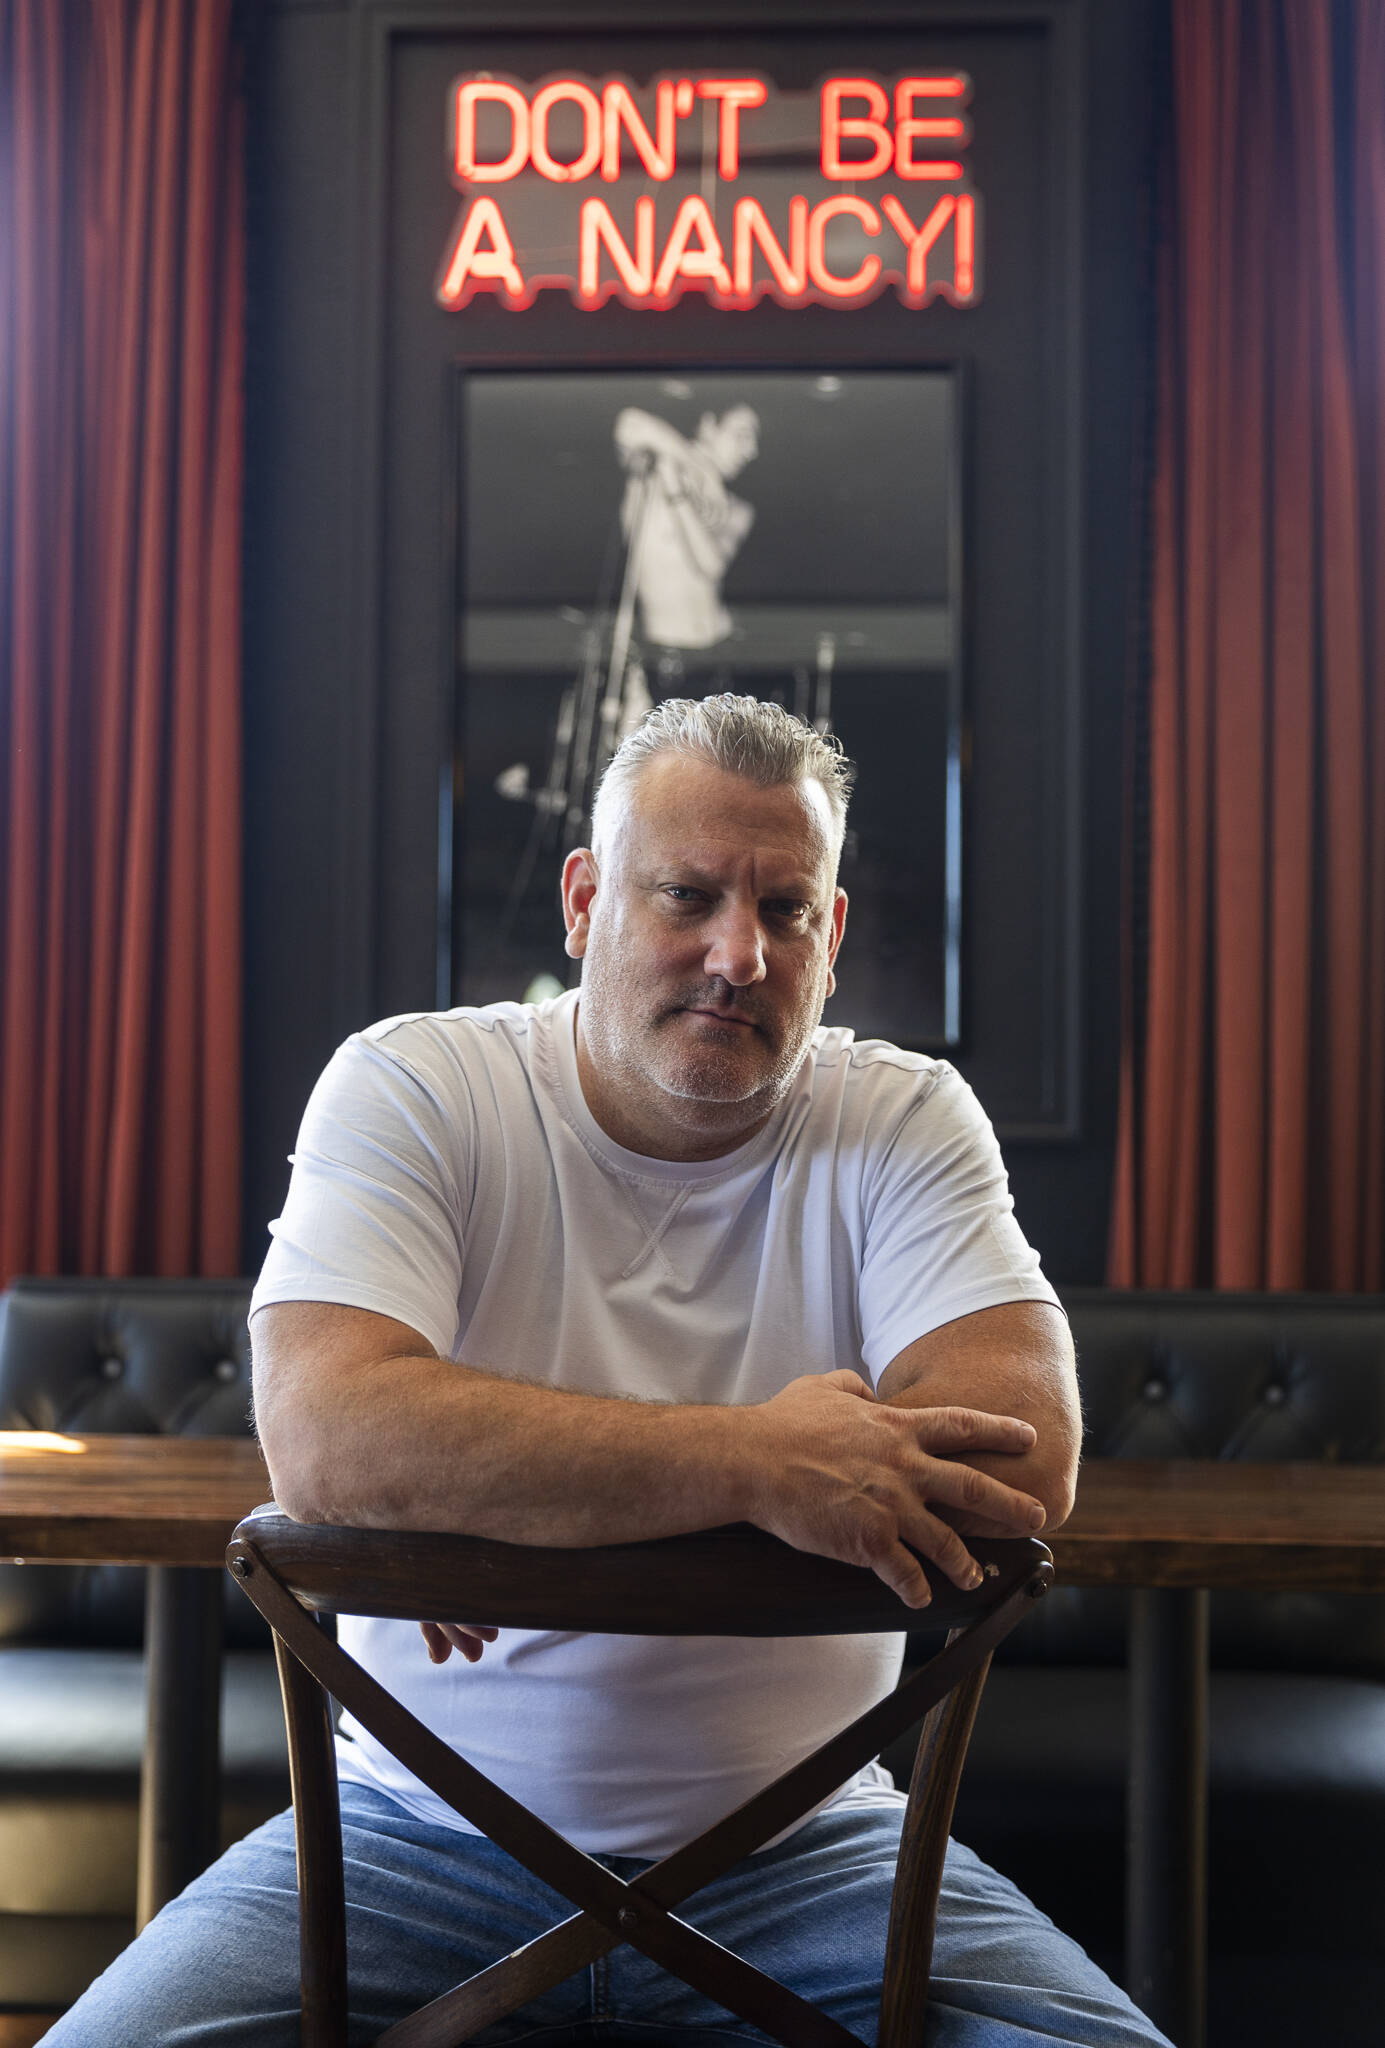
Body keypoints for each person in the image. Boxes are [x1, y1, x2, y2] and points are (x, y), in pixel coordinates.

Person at [41, 695, 1170, 2047]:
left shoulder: (902, 1117)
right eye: (686, 895)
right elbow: (332, 1436)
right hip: (411, 1834)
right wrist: (764, 1461)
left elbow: (1020, 1457)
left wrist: (496, 1499)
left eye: (785, 909)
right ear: (583, 903)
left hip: (814, 1852)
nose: (739, 954)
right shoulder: (418, 1086)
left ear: (830, 934)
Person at [614, 404, 760, 649]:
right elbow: (629, 425)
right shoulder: (652, 474)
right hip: (664, 649)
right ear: (708, 427)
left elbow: (711, 566)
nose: (751, 450)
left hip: (720, 643)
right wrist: (698, 469)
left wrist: (680, 491)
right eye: (742, 435)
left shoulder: (738, 510)